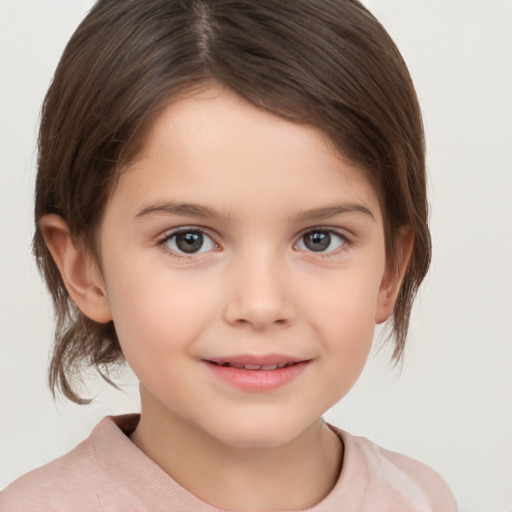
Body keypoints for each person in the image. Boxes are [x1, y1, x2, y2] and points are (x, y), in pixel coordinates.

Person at [0, 0, 458, 510]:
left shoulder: (422, 498)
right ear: (84, 269)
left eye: (319, 239)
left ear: (389, 271)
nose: (261, 305)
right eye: (189, 239)